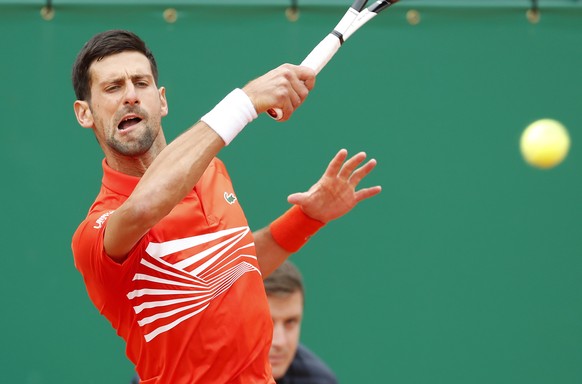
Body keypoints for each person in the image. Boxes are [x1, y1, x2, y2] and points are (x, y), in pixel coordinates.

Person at [71, 29, 381, 384]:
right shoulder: (97, 232)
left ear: (162, 100)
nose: (130, 96)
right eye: (112, 88)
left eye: (140, 83)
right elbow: (145, 206)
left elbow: (233, 270)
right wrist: (245, 102)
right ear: (85, 113)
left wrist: (308, 217)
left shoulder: (212, 172)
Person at [265, 261, 338, 384]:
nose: (280, 342)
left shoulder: (319, 380)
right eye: (267, 324)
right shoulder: (221, 372)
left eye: (290, 322)